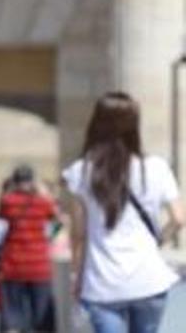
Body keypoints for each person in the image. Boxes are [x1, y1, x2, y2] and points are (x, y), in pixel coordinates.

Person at [63, 92, 185, 333]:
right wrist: (157, 240)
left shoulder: (81, 171)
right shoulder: (156, 168)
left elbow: (79, 234)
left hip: (103, 283)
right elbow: (179, 218)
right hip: (148, 279)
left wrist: (77, 276)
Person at [0, 164, 57, 333]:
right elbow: (57, 219)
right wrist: (42, 190)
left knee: (13, 317)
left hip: (13, 266)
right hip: (38, 267)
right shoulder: (43, 203)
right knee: (42, 318)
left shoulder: (8, 202)